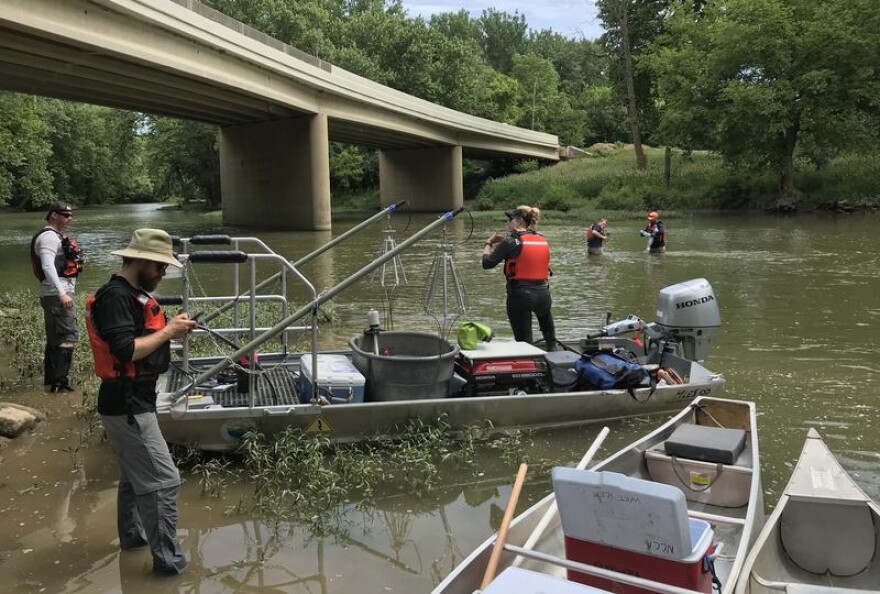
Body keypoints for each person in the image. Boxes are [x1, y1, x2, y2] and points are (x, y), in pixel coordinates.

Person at [85, 228, 197, 575]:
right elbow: (126, 350)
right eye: (160, 268)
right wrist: (169, 332)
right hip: (127, 405)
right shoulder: (115, 297)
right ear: (144, 262)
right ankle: (169, 565)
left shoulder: (129, 295)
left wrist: (170, 328)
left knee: (136, 479)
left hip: (131, 402)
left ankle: (133, 540)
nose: (162, 275)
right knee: (165, 481)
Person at [482, 205, 556, 348]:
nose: (507, 222)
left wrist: (489, 243)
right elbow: (523, 244)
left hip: (521, 296)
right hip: (544, 294)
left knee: (525, 343)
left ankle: (530, 362)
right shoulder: (541, 238)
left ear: (518, 220)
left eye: (509, 219)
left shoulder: (509, 241)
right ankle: (553, 350)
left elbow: (487, 263)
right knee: (549, 336)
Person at [30, 201, 84, 392]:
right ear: (54, 215)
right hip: (57, 294)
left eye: (70, 215)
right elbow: (47, 266)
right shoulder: (49, 238)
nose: (70, 218)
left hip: (55, 293)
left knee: (56, 339)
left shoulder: (56, 236)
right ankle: (59, 386)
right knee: (67, 338)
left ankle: (51, 384)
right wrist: (62, 293)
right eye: (66, 215)